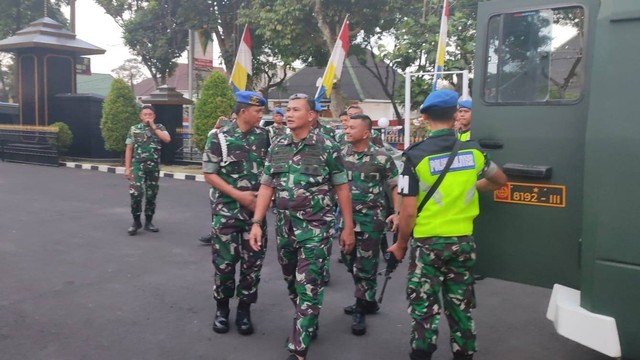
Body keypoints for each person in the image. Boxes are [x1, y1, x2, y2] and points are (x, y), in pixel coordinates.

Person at [388, 90, 507, 360]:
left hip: (428, 244)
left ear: (425, 117)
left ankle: (422, 354)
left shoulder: (414, 157)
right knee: (460, 305)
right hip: (463, 241)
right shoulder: (474, 152)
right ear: (455, 115)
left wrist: (400, 244)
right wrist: (472, 186)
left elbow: (407, 213)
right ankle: (464, 353)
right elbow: (500, 179)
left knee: (424, 307)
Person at [248, 93, 355, 360]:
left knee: (308, 284)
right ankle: (308, 319)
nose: (289, 114)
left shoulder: (326, 146)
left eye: (296, 109)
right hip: (285, 228)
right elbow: (266, 185)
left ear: (311, 115)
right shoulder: (278, 146)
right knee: (291, 282)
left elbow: (342, 187)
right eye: (287, 109)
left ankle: (298, 349)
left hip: (315, 229)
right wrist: (257, 222)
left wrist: (348, 227)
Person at [202, 91, 270, 336]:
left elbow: (271, 174)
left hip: (255, 216)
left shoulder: (265, 137)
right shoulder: (219, 137)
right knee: (224, 264)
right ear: (243, 112)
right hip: (226, 213)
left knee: (253, 264)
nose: (261, 115)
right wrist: (239, 195)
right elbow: (209, 174)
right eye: (257, 111)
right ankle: (222, 310)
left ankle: (244, 310)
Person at [340, 114, 399, 336]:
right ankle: (368, 298)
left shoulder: (382, 158)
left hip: (370, 220)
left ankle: (361, 307)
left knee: (366, 263)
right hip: (345, 220)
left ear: (366, 133)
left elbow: (395, 185)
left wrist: (397, 213)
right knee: (348, 258)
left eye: (352, 128)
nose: (347, 130)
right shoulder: (339, 155)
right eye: (347, 127)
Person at [124, 104, 171, 235]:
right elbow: (129, 148)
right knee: (136, 193)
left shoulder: (160, 127)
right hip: (138, 165)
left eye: (150, 115)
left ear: (154, 116)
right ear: (141, 116)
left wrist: (154, 128)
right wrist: (127, 168)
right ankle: (136, 221)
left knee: (151, 194)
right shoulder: (134, 129)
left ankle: (149, 222)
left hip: (153, 167)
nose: (148, 117)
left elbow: (167, 139)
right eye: (145, 115)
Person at [198, 114, 237, 245]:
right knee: (217, 210)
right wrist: (217, 126)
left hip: (240, 184)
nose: (233, 122)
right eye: (232, 119)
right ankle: (215, 232)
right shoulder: (219, 135)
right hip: (220, 184)